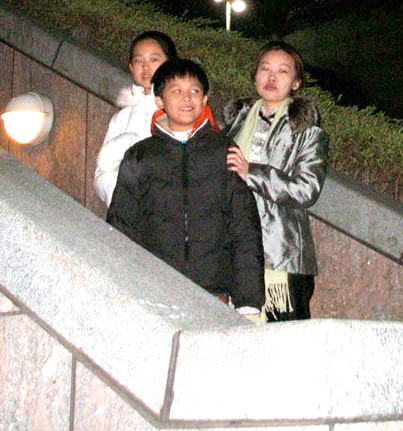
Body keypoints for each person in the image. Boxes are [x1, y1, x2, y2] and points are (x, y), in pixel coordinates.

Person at [107, 58, 265, 315]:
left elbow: (244, 223)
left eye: (194, 91)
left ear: (205, 100)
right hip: (154, 290)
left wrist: (248, 298)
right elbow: (121, 223)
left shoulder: (223, 150)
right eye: (176, 91)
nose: (187, 98)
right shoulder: (141, 155)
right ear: (160, 101)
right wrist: (118, 285)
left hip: (214, 290)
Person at [225, 41, 328, 320]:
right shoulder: (235, 123)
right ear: (255, 75)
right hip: (234, 246)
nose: (272, 77)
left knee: (282, 336)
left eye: (283, 71)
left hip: (282, 254)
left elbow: (306, 189)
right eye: (265, 69)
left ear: (296, 83)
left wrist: (251, 173)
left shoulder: (307, 132)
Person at [94, 30, 177, 206]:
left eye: (154, 59)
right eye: (139, 60)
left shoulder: (181, 111)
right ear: (131, 67)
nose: (145, 67)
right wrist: (119, 197)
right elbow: (102, 172)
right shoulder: (122, 117)